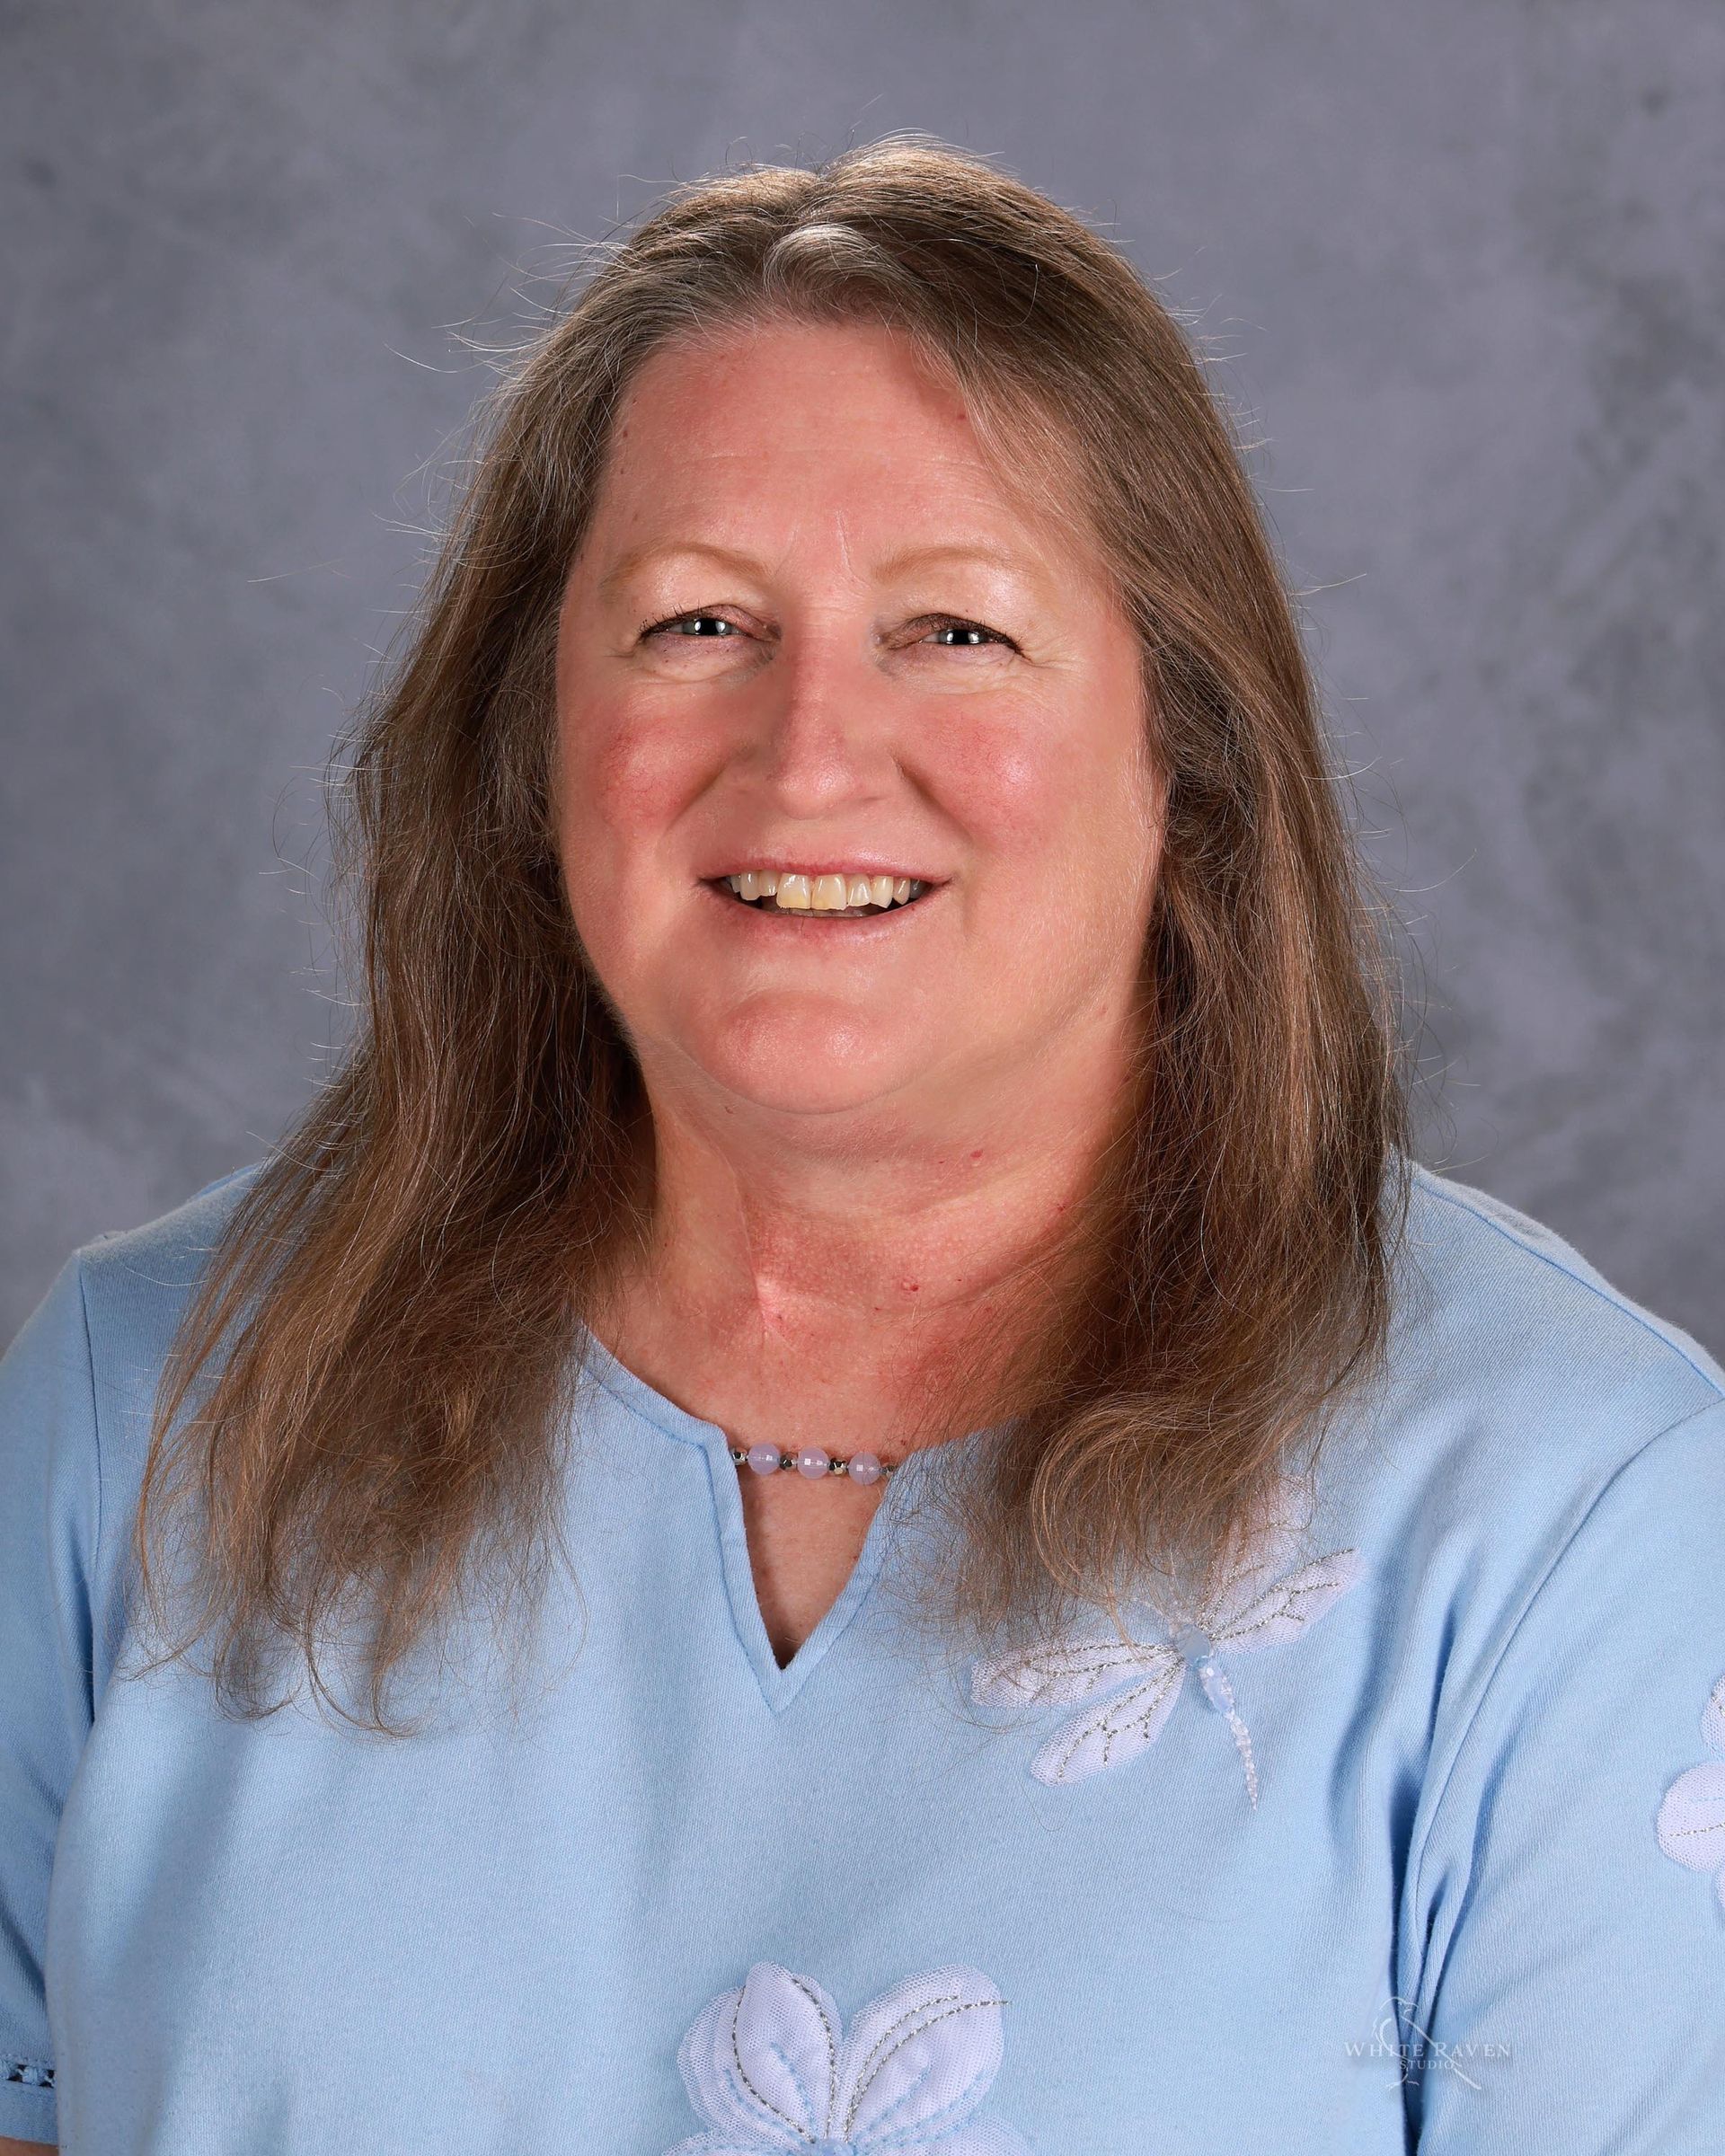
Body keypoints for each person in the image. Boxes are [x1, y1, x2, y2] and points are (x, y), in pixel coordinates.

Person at [2, 134, 1721, 2156]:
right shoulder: (150, 1407)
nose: (809, 754)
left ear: (1184, 748)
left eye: (956, 630)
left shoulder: (1575, 1525)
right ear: (531, 739)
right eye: (695, 624)